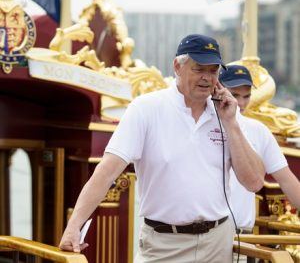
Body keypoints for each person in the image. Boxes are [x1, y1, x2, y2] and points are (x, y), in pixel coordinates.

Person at [59, 34, 265, 263]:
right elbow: (106, 172)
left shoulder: (228, 113)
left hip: (218, 244)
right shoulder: (146, 109)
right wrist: (73, 227)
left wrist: (232, 123)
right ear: (178, 66)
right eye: (199, 69)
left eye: (213, 70)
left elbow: (254, 182)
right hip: (163, 246)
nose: (207, 78)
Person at [219, 65, 300, 235]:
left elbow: (286, 180)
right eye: (234, 95)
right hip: (202, 235)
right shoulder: (200, 124)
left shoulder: (258, 130)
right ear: (218, 88)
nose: (240, 103)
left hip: (242, 239)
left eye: (246, 96)